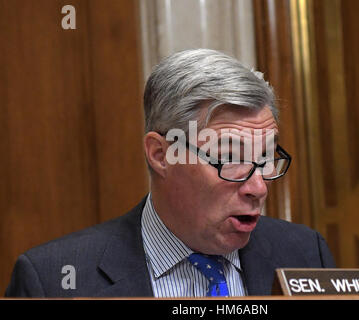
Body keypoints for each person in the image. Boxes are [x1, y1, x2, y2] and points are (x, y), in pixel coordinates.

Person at [5, 49, 335, 298]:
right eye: (230, 157)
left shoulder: (305, 253)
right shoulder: (55, 281)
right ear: (162, 155)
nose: (258, 186)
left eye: (264, 158)